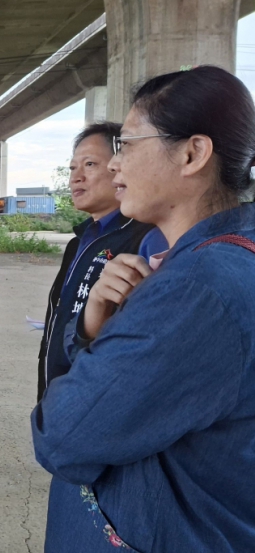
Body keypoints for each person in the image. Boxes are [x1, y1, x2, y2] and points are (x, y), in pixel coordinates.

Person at [33, 65, 255, 552]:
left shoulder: (195, 290)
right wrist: (98, 328)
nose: (114, 166)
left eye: (127, 145)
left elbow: (62, 437)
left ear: (193, 153)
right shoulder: (220, 259)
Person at [36, 122, 168, 401]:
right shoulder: (78, 242)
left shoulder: (146, 240)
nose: (76, 178)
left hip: (98, 401)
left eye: (90, 164)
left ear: (120, 166)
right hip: (59, 393)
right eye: (73, 168)